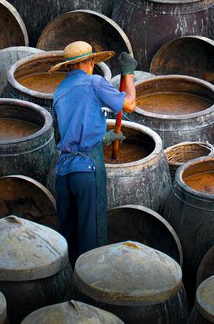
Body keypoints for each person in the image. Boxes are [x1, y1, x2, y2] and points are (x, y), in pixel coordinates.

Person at [49, 41, 138, 263]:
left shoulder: (59, 91)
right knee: (93, 243)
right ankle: (88, 295)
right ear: (89, 62)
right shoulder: (94, 82)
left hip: (63, 173)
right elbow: (130, 104)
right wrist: (128, 74)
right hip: (87, 171)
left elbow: (70, 130)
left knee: (69, 241)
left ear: (68, 67)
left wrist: (102, 138)